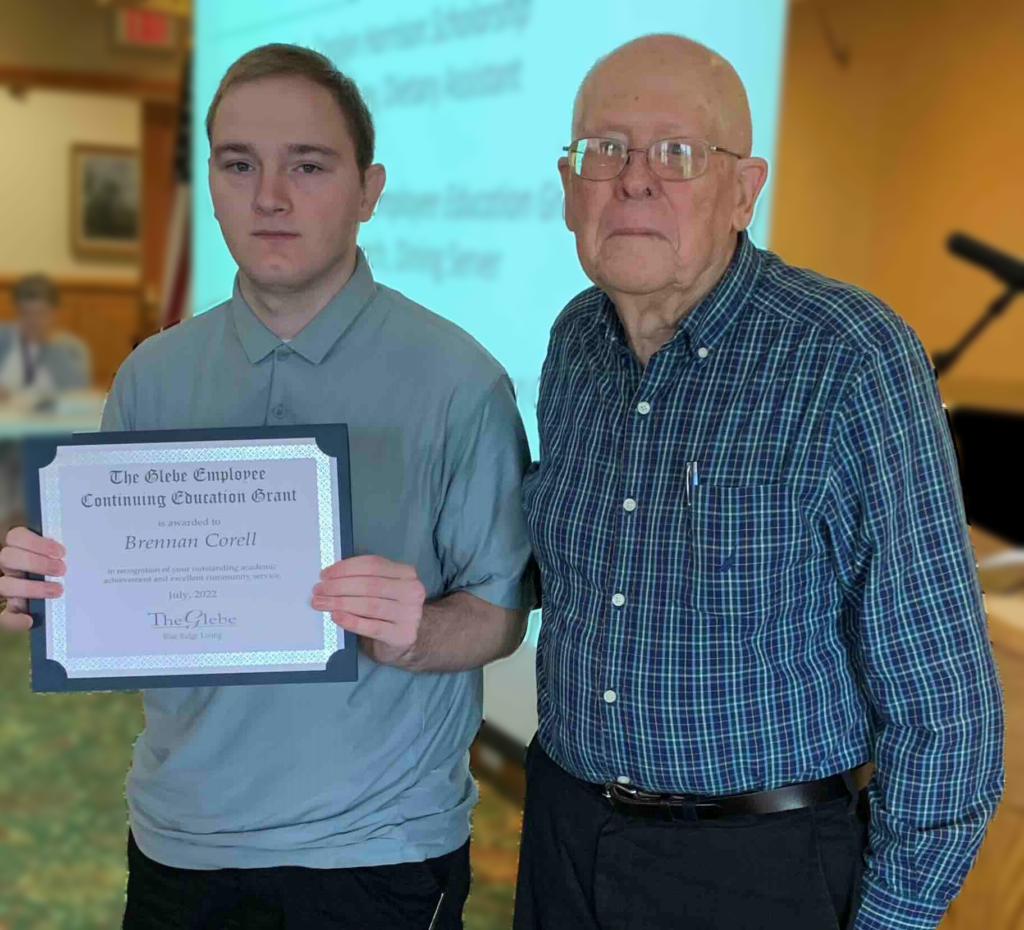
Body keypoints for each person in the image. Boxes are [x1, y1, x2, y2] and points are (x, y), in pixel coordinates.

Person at [0, 44, 534, 930]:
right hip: (182, 838)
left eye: (309, 166)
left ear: (369, 190)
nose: (270, 197)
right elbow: (117, 602)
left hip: (376, 851)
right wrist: (44, 590)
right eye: (238, 164)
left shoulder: (460, 382)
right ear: (208, 180)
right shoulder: (152, 377)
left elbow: (501, 614)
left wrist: (418, 633)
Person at [515, 33, 1003, 930]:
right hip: (563, 833)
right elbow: (582, 567)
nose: (632, 179)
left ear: (744, 192)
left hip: (756, 870)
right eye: (604, 151)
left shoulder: (850, 358)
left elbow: (948, 712)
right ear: (567, 186)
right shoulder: (574, 342)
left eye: (677, 153)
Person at [0, 274, 90, 401]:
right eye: (25, 313)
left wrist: (52, 348)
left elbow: (79, 395)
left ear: (54, 313)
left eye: (39, 313)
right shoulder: (3, 338)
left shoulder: (71, 349)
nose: (32, 321)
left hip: (50, 419)